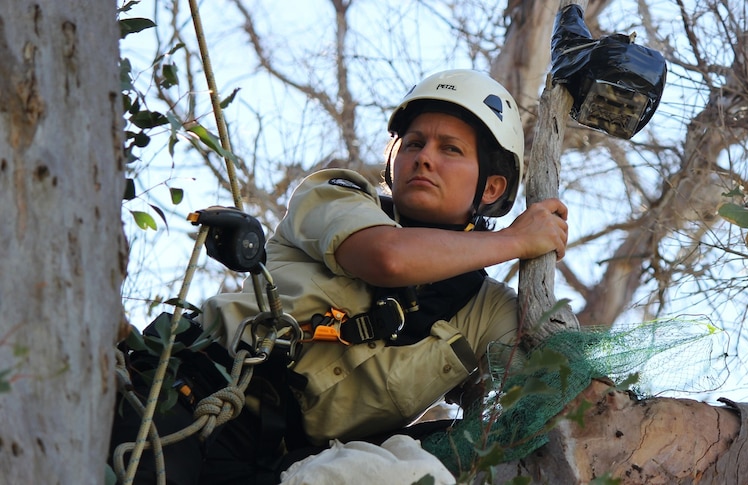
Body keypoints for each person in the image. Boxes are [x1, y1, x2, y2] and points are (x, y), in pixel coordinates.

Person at [111, 69, 568, 484]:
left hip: (277, 465)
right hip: (185, 393)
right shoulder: (335, 197)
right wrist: (516, 241)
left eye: (450, 149)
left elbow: (550, 374)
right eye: (413, 143)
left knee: (413, 472)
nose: (424, 158)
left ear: (491, 187)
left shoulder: (484, 311)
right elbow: (387, 258)